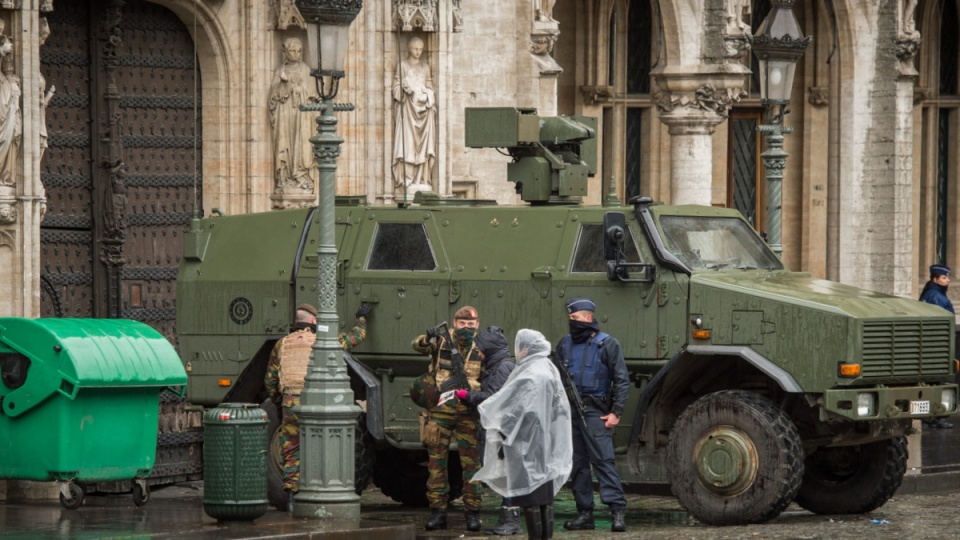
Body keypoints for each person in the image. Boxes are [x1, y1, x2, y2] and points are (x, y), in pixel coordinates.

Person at [264, 301, 372, 509]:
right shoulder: (324, 341)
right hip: (316, 402)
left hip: (291, 402)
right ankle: (324, 492)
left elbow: (270, 380)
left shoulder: (283, 344)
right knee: (326, 445)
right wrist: (362, 318)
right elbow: (356, 337)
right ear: (314, 321)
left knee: (292, 449)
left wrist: (280, 403)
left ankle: (292, 498)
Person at [473, 329, 573, 540]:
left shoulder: (530, 373)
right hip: (544, 443)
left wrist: (487, 410)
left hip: (525, 442)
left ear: (526, 348)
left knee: (530, 497)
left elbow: (511, 404)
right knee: (544, 497)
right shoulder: (548, 368)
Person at [555, 297, 629, 533]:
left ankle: (617, 511)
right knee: (577, 465)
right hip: (571, 413)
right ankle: (584, 513)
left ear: (588, 318)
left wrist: (616, 412)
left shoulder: (607, 344)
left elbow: (621, 380)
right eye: (570, 318)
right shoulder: (564, 344)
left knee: (603, 462)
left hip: (596, 412)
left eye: (575, 318)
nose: (572, 322)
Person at [412, 306, 484, 532]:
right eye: (462, 324)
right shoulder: (442, 341)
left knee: (471, 464)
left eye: (470, 325)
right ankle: (438, 511)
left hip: (466, 411)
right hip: (440, 411)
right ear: (454, 324)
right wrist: (427, 337)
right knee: (436, 463)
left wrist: (471, 391)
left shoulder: (482, 348)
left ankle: (472, 512)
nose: (466, 328)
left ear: (477, 325)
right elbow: (417, 345)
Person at [455, 326, 520, 535]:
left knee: (507, 476)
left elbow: (494, 397)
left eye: (481, 349)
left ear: (489, 348)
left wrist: (468, 396)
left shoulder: (502, 368)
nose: (479, 353)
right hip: (501, 427)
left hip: (504, 429)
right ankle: (507, 520)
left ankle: (511, 522)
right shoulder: (500, 365)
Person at [268, 37, 318, 194]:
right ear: (285, 51)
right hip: (285, 114)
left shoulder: (306, 70)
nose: (295, 54)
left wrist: (300, 90)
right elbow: (272, 99)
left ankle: (301, 175)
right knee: (285, 144)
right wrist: (284, 85)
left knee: (301, 144)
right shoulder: (279, 71)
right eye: (292, 51)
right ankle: (285, 177)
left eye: (298, 51)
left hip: (302, 116)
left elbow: (313, 96)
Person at [391, 36, 436, 189]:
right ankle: (407, 179)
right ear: (409, 49)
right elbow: (396, 86)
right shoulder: (402, 65)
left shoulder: (425, 66)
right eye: (416, 49)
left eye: (420, 49)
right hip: (408, 110)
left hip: (424, 111)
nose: (418, 52)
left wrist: (427, 95)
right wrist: (405, 91)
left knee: (423, 145)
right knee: (407, 142)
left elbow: (430, 87)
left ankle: (421, 178)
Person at [919, 264, 955, 429]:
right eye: (944, 277)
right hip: (937, 346)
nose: (947, 280)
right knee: (937, 380)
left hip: (933, 345)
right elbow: (940, 322)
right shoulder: (935, 296)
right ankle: (935, 417)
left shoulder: (932, 293)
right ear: (935, 279)